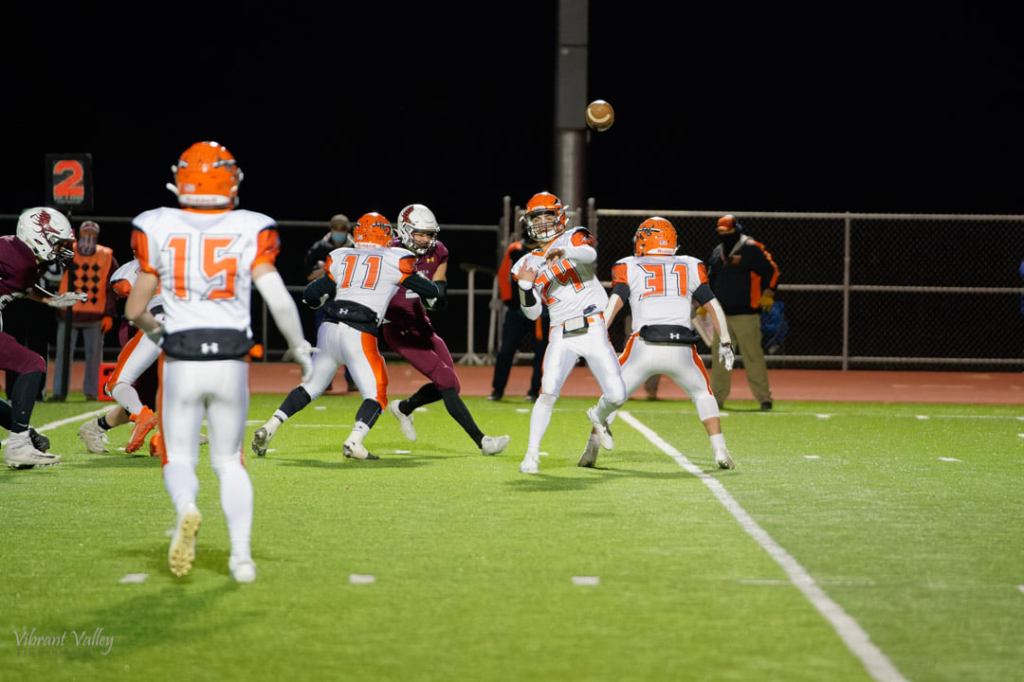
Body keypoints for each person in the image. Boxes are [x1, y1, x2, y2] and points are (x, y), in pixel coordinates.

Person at [125, 140, 314, 583]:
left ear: (181, 180)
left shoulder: (156, 225)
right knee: (229, 461)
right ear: (232, 181)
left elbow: (135, 309)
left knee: (179, 458)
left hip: (181, 356)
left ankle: (186, 508)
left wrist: (159, 334)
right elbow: (278, 299)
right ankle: (241, 558)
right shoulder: (251, 227)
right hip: (230, 357)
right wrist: (300, 347)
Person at [251, 212, 441, 461]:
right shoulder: (396, 258)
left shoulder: (342, 256)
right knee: (377, 393)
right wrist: (430, 294)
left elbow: (311, 295)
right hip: (359, 330)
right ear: (385, 235)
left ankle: (270, 426)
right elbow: (431, 291)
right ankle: (355, 441)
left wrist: (319, 299)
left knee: (311, 387)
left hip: (329, 327)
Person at [582, 217, 736, 470]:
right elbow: (713, 305)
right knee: (703, 394)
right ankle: (720, 450)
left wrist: (597, 334)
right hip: (682, 348)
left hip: (643, 346)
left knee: (613, 394)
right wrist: (726, 341)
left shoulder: (629, 265)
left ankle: (592, 448)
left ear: (644, 240)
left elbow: (614, 304)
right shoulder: (690, 265)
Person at [512, 191, 626, 475]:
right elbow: (533, 313)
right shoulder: (525, 263)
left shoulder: (573, 236)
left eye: (547, 216)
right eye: (536, 218)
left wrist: (565, 252)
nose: (541, 223)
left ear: (560, 216)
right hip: (560, 333)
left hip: (593, 326)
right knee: (547, 391)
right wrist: (525, 287)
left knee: (617, 395)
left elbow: (591, 254)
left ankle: (597, 415)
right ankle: (531, 454)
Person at [383, 204, 510, 456]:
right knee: (445, 380)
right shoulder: (387, 251)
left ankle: (404, 408)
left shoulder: (438, 251)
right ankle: (483, 441)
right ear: (405, 230)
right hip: (397, 327)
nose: (425, 239)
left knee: (452, 384)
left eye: (429, 234)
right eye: (420, 233)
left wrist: (436, 297)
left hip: (422, 323)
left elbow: (439, 292)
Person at [1, 207, 85, 468]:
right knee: (32, 364)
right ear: (39, 236)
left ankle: (24, 434)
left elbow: (23, 286)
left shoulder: (21, 258)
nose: (62, 251)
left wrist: (51, 299)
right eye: (58, 243)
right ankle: (18, 444)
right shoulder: (14, 256)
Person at [78, 258, 163, 456]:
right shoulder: (134, 269)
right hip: (148, 326)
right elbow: (122, 287)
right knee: (147, 392)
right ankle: (98, 427)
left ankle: (167, 434)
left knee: (165, 389)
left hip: (167, 326)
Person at [707, 214, 780, 411]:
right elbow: (711, 278)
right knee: (721, 358)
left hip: (746, 314)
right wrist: (705, 301)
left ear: (736, 230)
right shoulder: (718, 251)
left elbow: (772, 270)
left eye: (727, 231)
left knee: (753, 357)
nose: (724, 235)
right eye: (720, 232)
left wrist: (769, 292)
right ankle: (717, 398)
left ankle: (764, 398)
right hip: (721, 315)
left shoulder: (751, 248)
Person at [52, 220, 118, 400]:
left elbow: (112, 287)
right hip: (68, 313)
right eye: (85, 233)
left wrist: (109, 314)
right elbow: (53, 269)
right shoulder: (68, 251)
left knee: (94, 356)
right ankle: (59, 392)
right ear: (80, 234)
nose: (88, 237)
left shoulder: (106, 256)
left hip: (95, 315)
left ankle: (91, 392)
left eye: (92, 234)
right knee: (62, 355)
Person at [489, 234, 548, 402]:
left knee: (541, 353)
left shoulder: (549, 250)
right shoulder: (515, 249)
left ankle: (534, 391)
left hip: (540, 311)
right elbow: (503, 274)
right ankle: (498, 389)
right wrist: (508, 299)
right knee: (506, 350)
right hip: (517, 309)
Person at [304, 214, 357, 393]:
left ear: (348, 229)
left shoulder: (356, 248)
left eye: (343, 229)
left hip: (348, 299)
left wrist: (331, 270)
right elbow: (309, 276)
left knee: (350, 340)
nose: (339, 232)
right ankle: (323, 380)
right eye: (336, 228)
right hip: (325, 300)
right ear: (331, 228)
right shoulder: (318, 248)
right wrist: (330, 269)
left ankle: (353, 379)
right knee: (323, 340)